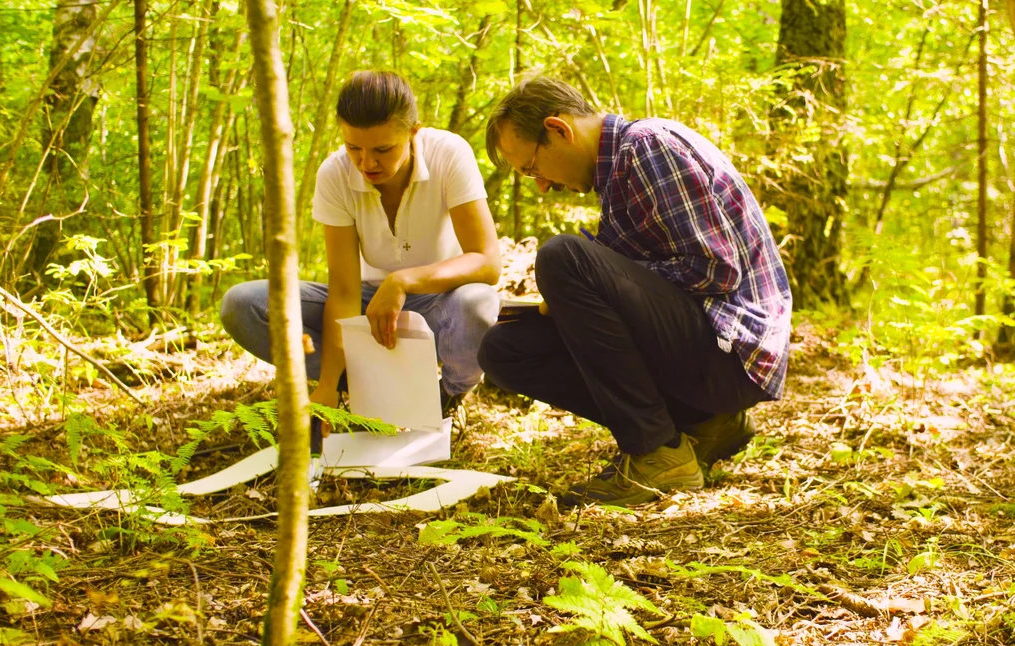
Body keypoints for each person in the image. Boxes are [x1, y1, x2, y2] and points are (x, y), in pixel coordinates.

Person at [478, 76, 792, 507]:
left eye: (532, 167)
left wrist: (598, 282)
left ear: (558, 130)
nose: (541, 186)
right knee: (504, 349)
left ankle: (657, 452)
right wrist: (581, 301)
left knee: (563, 256)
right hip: (701, 351)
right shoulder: (618, 178)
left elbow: (717, 269)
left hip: (732, 354)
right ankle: (704, 424)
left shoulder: (647, 147)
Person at [222, 71, 501, 422]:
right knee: (244, 305)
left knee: (478, 303)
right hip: (365, 305)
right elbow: (343, 289)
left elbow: (487, 262)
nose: (367, 163)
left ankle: (447, 396)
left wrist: (402, 281)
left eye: (383, 149)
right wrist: (325, 384)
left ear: (413, 132)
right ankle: (362, 386)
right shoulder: (334, 174)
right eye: (354, 147)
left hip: (439, 303)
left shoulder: (449, 153)